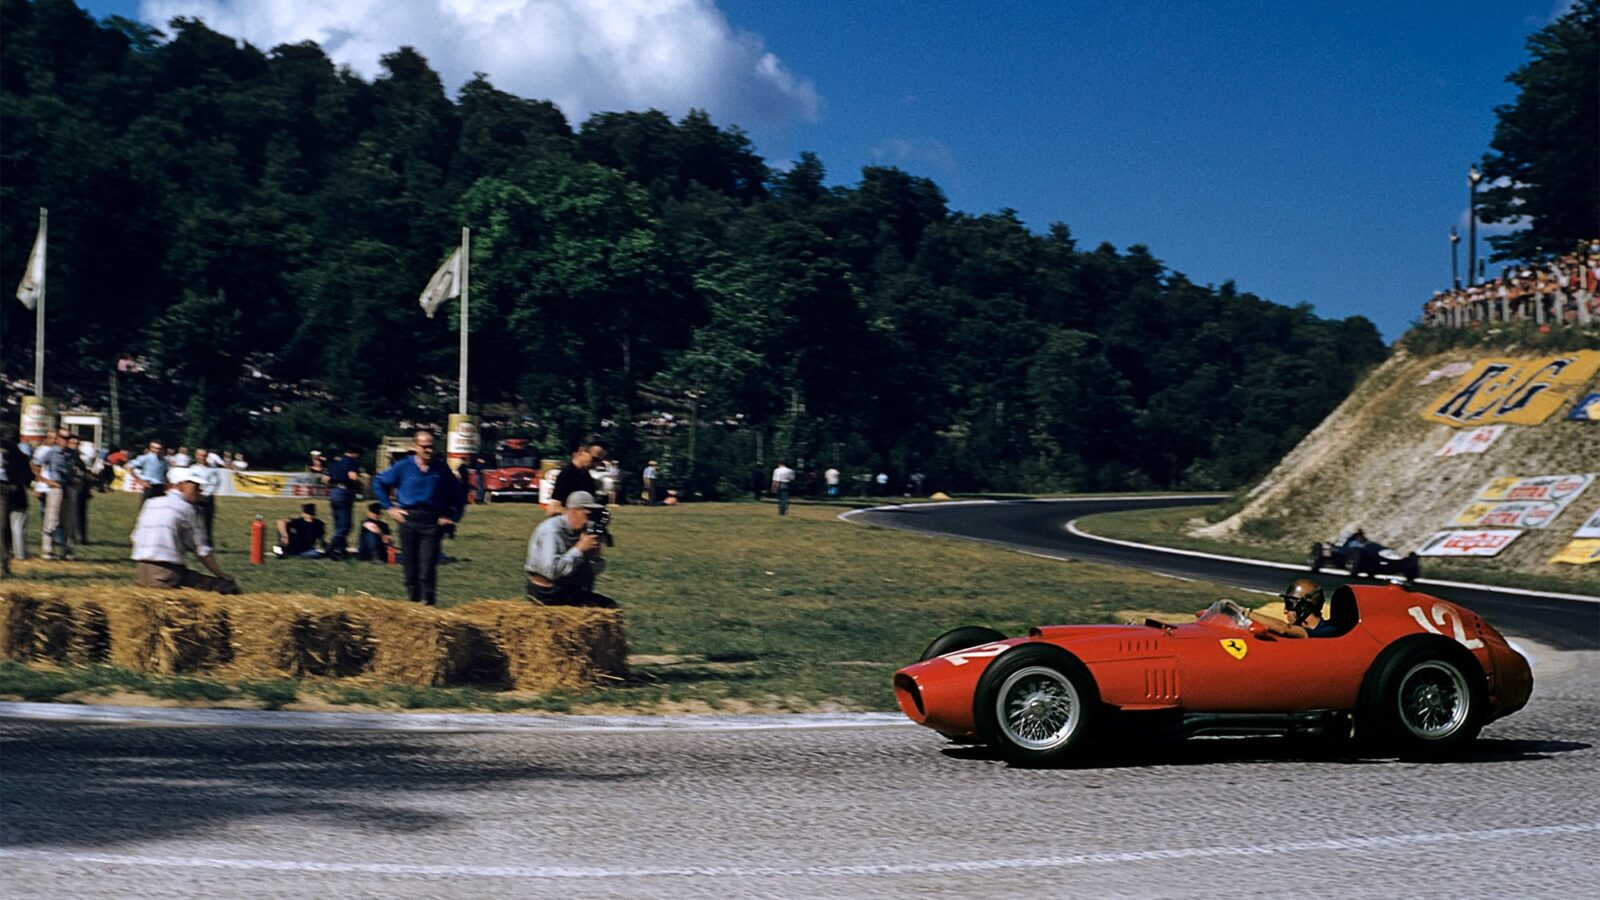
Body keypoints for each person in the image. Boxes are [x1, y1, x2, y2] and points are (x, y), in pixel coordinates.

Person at [372, 430, 466, 605]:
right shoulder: (403, 467)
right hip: (408, 519)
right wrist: (389, 507)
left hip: (431, 521)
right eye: (425, 447)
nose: (429, 451)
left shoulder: (441, 468)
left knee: (427, 567)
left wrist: (452, 516)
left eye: (431, 447)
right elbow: (379, 482)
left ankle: (428, 603)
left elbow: (458, 494)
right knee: (410, 567)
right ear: (415, 447)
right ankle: (413, 604)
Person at [129, 470, 239, 594]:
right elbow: (201, 550)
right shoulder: (187, 508)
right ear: (180, 485)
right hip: (167, 573)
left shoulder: (150, 503)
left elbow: (135, 536)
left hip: (141, 571)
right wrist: (221, 574)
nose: (200, 491)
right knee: (226, 587)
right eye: (196, 487)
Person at [524, 490, 614, 607]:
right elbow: (551, 572)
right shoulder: (552, 531)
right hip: (547, 593)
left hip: (569, 588)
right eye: (588, 515)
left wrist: (595, 556)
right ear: (573, 512)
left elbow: (593, 572)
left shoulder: (583, 531)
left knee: (609, 607)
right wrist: (579, 549)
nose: (590, 520)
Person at [31, 428, 81, 560]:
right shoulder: (51, 452)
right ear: (57, 439)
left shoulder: (72, 454)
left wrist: (79, 478)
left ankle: (67, 550)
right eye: (63, 438)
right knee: (52, 518)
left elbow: (80, 467)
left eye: (67, 438)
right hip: (56, 487)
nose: (65, 441)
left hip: (69, 486)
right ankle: (48, 550)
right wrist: (44, 480)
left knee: (69, 520)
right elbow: (35, 464)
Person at [1249, 579, 1338, 639]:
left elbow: (1283, 629)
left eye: (1289, 604)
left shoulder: (1327, 632)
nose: (1285, 611)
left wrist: (1245, 613)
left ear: (1303, 607)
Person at [0, 428, 30, 576]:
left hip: (4, 487)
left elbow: (24, 470)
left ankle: (3, 564)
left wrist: (16, 483)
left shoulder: (13, 450)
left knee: (2, 527)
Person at [551, 435, 607, 511]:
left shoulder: (586, 476)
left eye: (599, 461)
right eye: (594, 459)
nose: (596, 464)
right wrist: (577, 514)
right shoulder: (566, 474)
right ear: (581, 451)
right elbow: (553, 509)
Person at [326, 446, 364, 558]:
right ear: (355, 453)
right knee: (345, 525)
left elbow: (326, 479)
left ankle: (341, 550)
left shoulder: (335, 462)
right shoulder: (351, 462)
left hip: (334, 492)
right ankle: (331, 548)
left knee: (338, 523)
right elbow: (352, 477)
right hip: (344, 492)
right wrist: (361, 486)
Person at [188, 447, 221, 545]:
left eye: (204, 455)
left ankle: (207, 542)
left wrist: (205, 494)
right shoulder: (192, 469)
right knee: (193, 521)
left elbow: (214, 483)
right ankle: (192, 542)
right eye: (200, 455)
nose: (202, 457)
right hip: (195, 498)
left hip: (207, 498)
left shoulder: (212, 469)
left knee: (207, 521)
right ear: (196, 455)